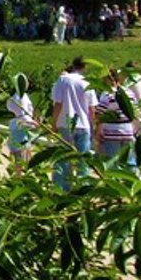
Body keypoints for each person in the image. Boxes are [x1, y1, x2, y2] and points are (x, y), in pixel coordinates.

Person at [51, 57, 97, 190]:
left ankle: (61, 188)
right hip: (84, 125)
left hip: (66, 123)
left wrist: (54, 123)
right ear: (84, 68)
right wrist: (92, 126)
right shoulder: (88, 82)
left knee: (63, 160)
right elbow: (92, 109)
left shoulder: (63, 80)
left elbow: (58, 104)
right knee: (83, 161)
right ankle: (83, 189)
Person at [6, 73, 36, 174]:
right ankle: (21, 175)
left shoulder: (14, 97)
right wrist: (33, 123)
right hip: (21, 127)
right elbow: (22, 115)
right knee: (23, 153)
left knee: (21, 153)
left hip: (16, 126)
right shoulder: (20, 97)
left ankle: (19, 174)